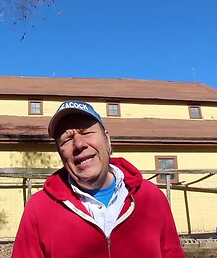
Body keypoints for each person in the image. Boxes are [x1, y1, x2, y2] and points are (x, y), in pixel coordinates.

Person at [12, 100, 185, 258]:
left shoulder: (151, 197)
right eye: (67, 139)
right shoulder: (39, 208)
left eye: (87, 132)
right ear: (60, 153)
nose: (79, 144)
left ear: (107, 140)